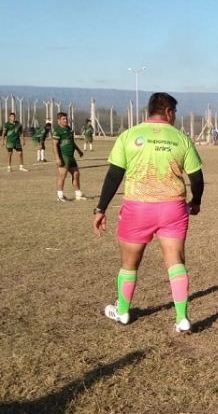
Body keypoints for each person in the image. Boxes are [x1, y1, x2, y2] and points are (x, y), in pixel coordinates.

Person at [94, 92, 204, 334]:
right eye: (174, 112)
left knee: (129, 264)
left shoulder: (129, 135)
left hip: (137, 208)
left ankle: (123, 311)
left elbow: (114, 175)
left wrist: (101, 208)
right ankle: (182, 319)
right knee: (175, 261)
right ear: (168, 112)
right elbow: (196, 178)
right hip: (172, 209)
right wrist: (196, 201)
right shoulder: (181, 139)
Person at [52, 112, 86, 201]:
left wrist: (79, 151)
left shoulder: (69, 129)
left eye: (66, 118)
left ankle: (78, 194)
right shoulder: (57, 131)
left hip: (71, 157)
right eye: (63, 119)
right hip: (63, 156)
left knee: (76, 174)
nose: (66, 120)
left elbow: (72, 142)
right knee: (62, 175)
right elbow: (54, 145)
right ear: (59, 120)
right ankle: (60, 196)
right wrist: (57, 158)